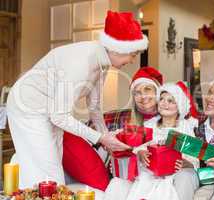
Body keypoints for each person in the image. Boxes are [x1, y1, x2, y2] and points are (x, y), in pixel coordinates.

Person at [6, 10, 148, 188]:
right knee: (47, 173)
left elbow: (94, 107)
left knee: (52, 166)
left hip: (49, 109)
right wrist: (100, 138)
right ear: (117, 48)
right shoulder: (82, 63)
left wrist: (105, 136)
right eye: (133, 54)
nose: (133, 60)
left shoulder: (102, 63)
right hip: (28, 106)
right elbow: (59, 116)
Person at [105, 81, 199, 200]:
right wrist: (140, 153)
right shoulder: (150, 125)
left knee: (168, 187)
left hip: (173, 173)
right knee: (143, 183)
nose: (165, 103)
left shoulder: (185, 126)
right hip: (149, 173)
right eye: (162, 99)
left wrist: (187, 163)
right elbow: (138, 148)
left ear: (179, 106)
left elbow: (195, 159)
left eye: (170, 101)